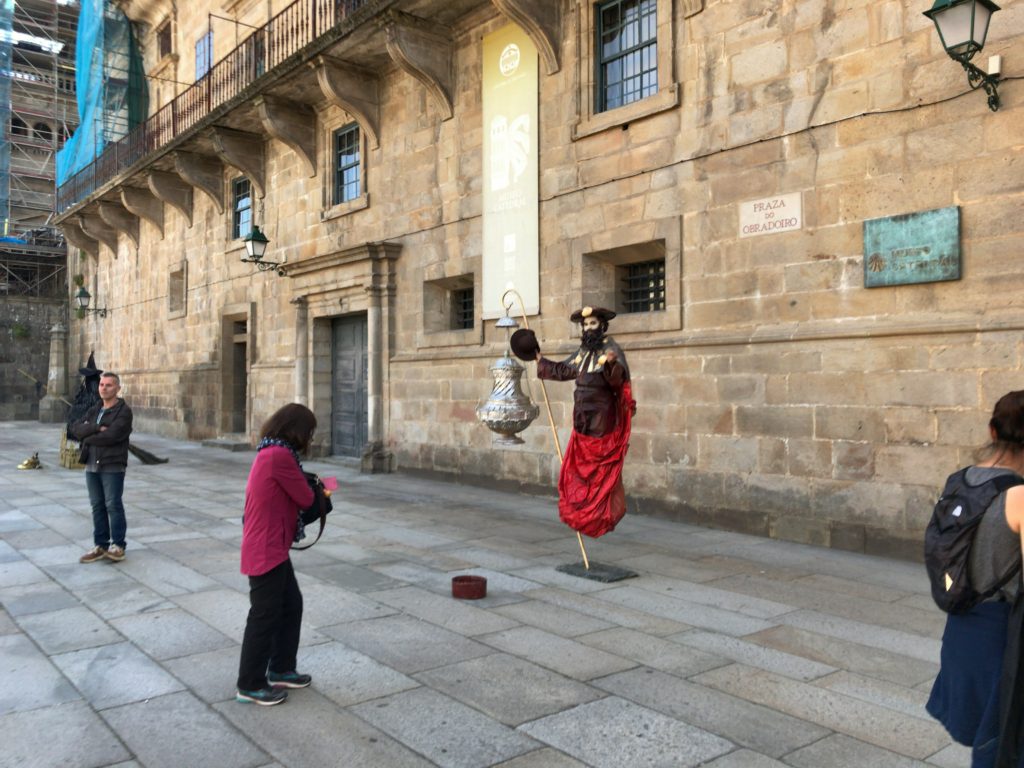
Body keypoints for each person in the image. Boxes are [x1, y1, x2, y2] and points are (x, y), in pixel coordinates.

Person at [927, 390, 1024, 767]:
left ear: (992, 430)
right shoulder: (1019, 496)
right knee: (1004, 743)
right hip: (1006, 636)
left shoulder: (959, 480)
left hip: (964, 627)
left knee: (988, 740)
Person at [236, 403, 317, 706]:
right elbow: (306, 498)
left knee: (291, 605)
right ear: (297, 430)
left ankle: (281, 668)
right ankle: (250, 684)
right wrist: (319, 489)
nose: (310, 438)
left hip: (273, 544)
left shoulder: (272, 451)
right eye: (309, 431)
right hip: (266, 547)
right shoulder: (279, 456)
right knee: (264, 615)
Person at [534, 306, 636, 538]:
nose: (589, 328)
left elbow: (618, 382)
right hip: (581, 411)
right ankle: (581, 507)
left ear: (602, 325)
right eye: (586, 325)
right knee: (581, 461)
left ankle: (596, 512)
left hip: (601, 413)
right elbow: (564, 370)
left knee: (596, 462)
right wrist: (540, 360)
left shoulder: (611, 349)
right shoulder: (583, 351)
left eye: (593, 323)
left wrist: (611, 364)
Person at [70, 371, 133, 563]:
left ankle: (118, 545)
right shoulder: (95, 409)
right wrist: (96, 428)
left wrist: (87, 436)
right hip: (91, 462)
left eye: (109, 385)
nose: (104, 388)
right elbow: (75, 428)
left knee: (113, 504)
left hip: (112, 464)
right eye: (101, 385)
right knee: (97, 505)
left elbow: (111, 436)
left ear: (118, 388)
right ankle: (101, 545)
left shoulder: (123, 411)